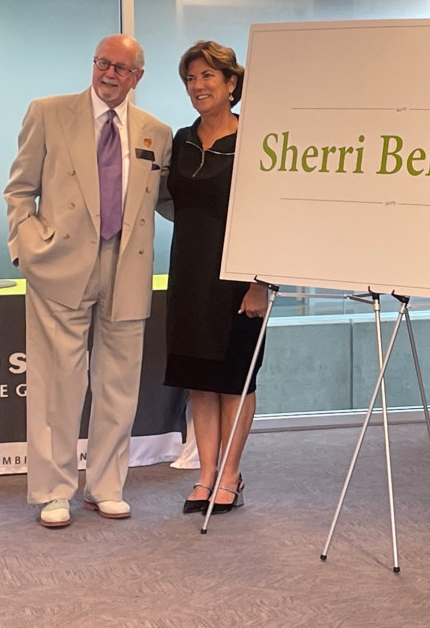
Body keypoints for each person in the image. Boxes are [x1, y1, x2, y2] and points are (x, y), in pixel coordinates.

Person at [4, 34, 173, 528]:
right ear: (93, 64)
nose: (110, 73)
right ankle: (55, 491)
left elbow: (165, 201)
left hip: (128, 265)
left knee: (118, 382)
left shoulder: (155, 132)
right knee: (58, 381)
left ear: (138, 77)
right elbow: (19, 190)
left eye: (122, 68)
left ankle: (106, 486)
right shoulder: (49, 113)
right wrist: (28, 247)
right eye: (104, 63)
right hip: (59, 264)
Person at [163, 40, 268, 515]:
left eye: (208, 76)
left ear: (231, 83)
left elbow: (272, 215)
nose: (198, 86)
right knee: (199, 380)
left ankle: (230, 474)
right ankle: (205, 475)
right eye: (191, 78)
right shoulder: (181, 139)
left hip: (239, 278)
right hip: (188, 271)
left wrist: (260, 282)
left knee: (235, 380)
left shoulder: (256, 139)